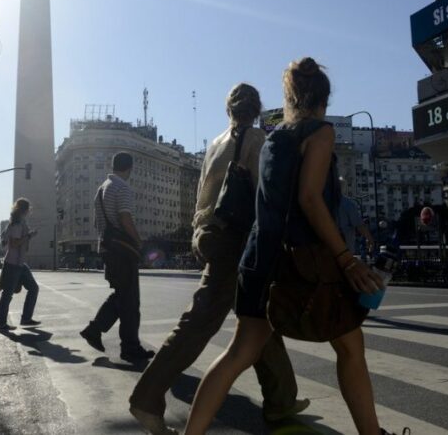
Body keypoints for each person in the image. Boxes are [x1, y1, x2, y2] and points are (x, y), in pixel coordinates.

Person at [184, 58, 404, 435]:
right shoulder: (320, 133)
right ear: (324, 99)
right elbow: (310, 199)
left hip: (258, 261)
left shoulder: (273, 140)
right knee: (350, 349)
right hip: (304, 263)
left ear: (289, 97)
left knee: (238, 354)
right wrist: (347, 259)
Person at [129, 84, 307, 434]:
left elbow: (202, 195)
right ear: (256, 109)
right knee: (200, 322)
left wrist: (199, 233)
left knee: (258, 317)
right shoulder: (257, 140)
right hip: (238, 240)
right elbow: (264, 195)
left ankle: (281, 401)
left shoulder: (215, 143)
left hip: (211, 234)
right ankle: (146, 399)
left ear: (229, 110)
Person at [80, 152, 155, 362]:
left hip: (107, 248)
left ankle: (96, 331)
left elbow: (98, 224)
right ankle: (129, 347)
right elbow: (125, 217)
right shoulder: (122, 187)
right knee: (130, 301)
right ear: (129, 167)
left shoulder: (101, 188)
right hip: (122, 251)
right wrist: (139, 243)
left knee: (122, 296)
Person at [0, 198, 41, 332]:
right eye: (28, 209)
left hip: (20, 263)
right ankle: (1, 324)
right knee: (7, 294)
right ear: (25, 210)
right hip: (13, 263)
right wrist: (29, 236)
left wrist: (28, 235)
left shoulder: (19, 222)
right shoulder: (16, 224)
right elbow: (14, 243)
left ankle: (26, 318)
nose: (29, 211)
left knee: (33, 288)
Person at [338, 178, 375, 257]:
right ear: (344, 188)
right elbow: (359, 225)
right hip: (344, 247)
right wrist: (370, 239)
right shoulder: (347, 204)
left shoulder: (324, 204)